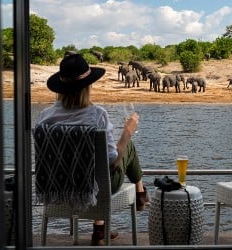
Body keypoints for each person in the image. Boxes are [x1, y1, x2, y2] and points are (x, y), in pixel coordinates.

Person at [35, 53, 149, 246]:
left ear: (61, 88)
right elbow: (112, 163)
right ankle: (140, 193)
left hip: (56, 189)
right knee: (127, 146)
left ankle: (104, 226)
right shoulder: (97, 115)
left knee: (95, 165)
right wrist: (127, 132)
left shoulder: (45, 117)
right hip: (94, 191)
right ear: (88, 86)